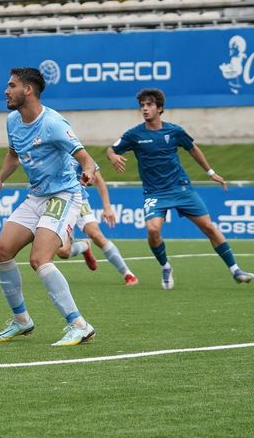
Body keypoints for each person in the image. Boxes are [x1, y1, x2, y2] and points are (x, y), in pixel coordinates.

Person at [0, 67, 98, 347]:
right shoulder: (13, 120)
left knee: (40, 259)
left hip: (63, 195)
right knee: (2, 251)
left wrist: (88, 173)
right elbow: (14, 154)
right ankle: (22, 321)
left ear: (28, 90)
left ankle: (79, 325)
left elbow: (87, 160)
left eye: (11, 85)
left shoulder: (54, 124)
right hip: (36, 196)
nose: (6, 91)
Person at [106, 88, 250, 289]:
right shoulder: (134, 135)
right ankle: (165, 266)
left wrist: (211, 172)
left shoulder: (174, 131)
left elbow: (192, 148)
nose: (145, 109)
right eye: (142, 106)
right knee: (153, 229)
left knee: (209, 227)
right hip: (155, 193)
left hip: (181, 189)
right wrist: (113, 156)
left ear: (160, 108)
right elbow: (111, 149)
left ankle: (235, 270)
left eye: (149, 105)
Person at [54, 165, 138, 286]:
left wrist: (107, 207)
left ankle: (127, 274)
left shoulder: (78, 152)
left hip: (79, 201)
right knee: (63, 252)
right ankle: (84, 246)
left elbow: (98, 180)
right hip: (60, 204)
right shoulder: (52, 153)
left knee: (96, 235)